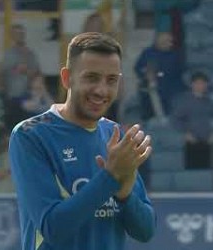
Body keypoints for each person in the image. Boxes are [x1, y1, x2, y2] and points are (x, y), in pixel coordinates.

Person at [9, 32, 156, 250]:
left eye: (111, 80)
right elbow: (52, 228)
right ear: (67, 78)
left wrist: (125, 194)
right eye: (92, 78)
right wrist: (110, 177)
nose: (101, 90)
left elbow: (145, 231)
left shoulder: (115, 135)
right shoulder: (31, 135)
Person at [170, 72, 213, 169]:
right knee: (193, 171)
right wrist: (185, 133)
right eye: (197, 83)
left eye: (203, 83)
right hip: (192, 142)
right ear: (192, 85)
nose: (200, 86)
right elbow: (175, 119)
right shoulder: (184, 102)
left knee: (208, 170)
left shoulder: (211, 102)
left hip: (208, 142)